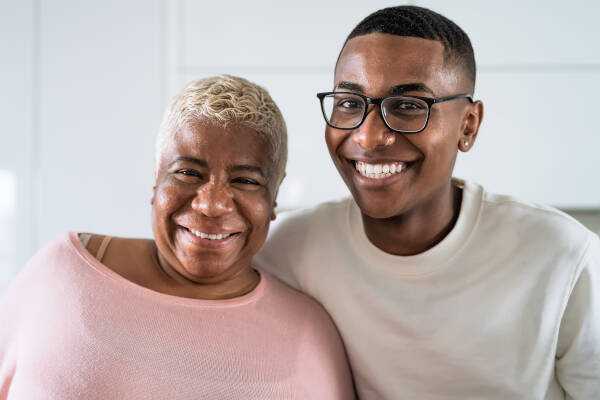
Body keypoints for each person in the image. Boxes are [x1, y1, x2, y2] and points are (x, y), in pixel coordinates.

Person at [255, 6, 600, 399]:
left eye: (408, 106)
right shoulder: (287, 252)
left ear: (468, 125)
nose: (368, 138)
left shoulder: (563, 256)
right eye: (349, 103)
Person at [0, 75, 355, 399]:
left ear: (273, 197)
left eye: (245, 180)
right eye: (188, 172)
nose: (212, 205)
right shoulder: (60, 273)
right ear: (157, 180)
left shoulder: (310, 334)